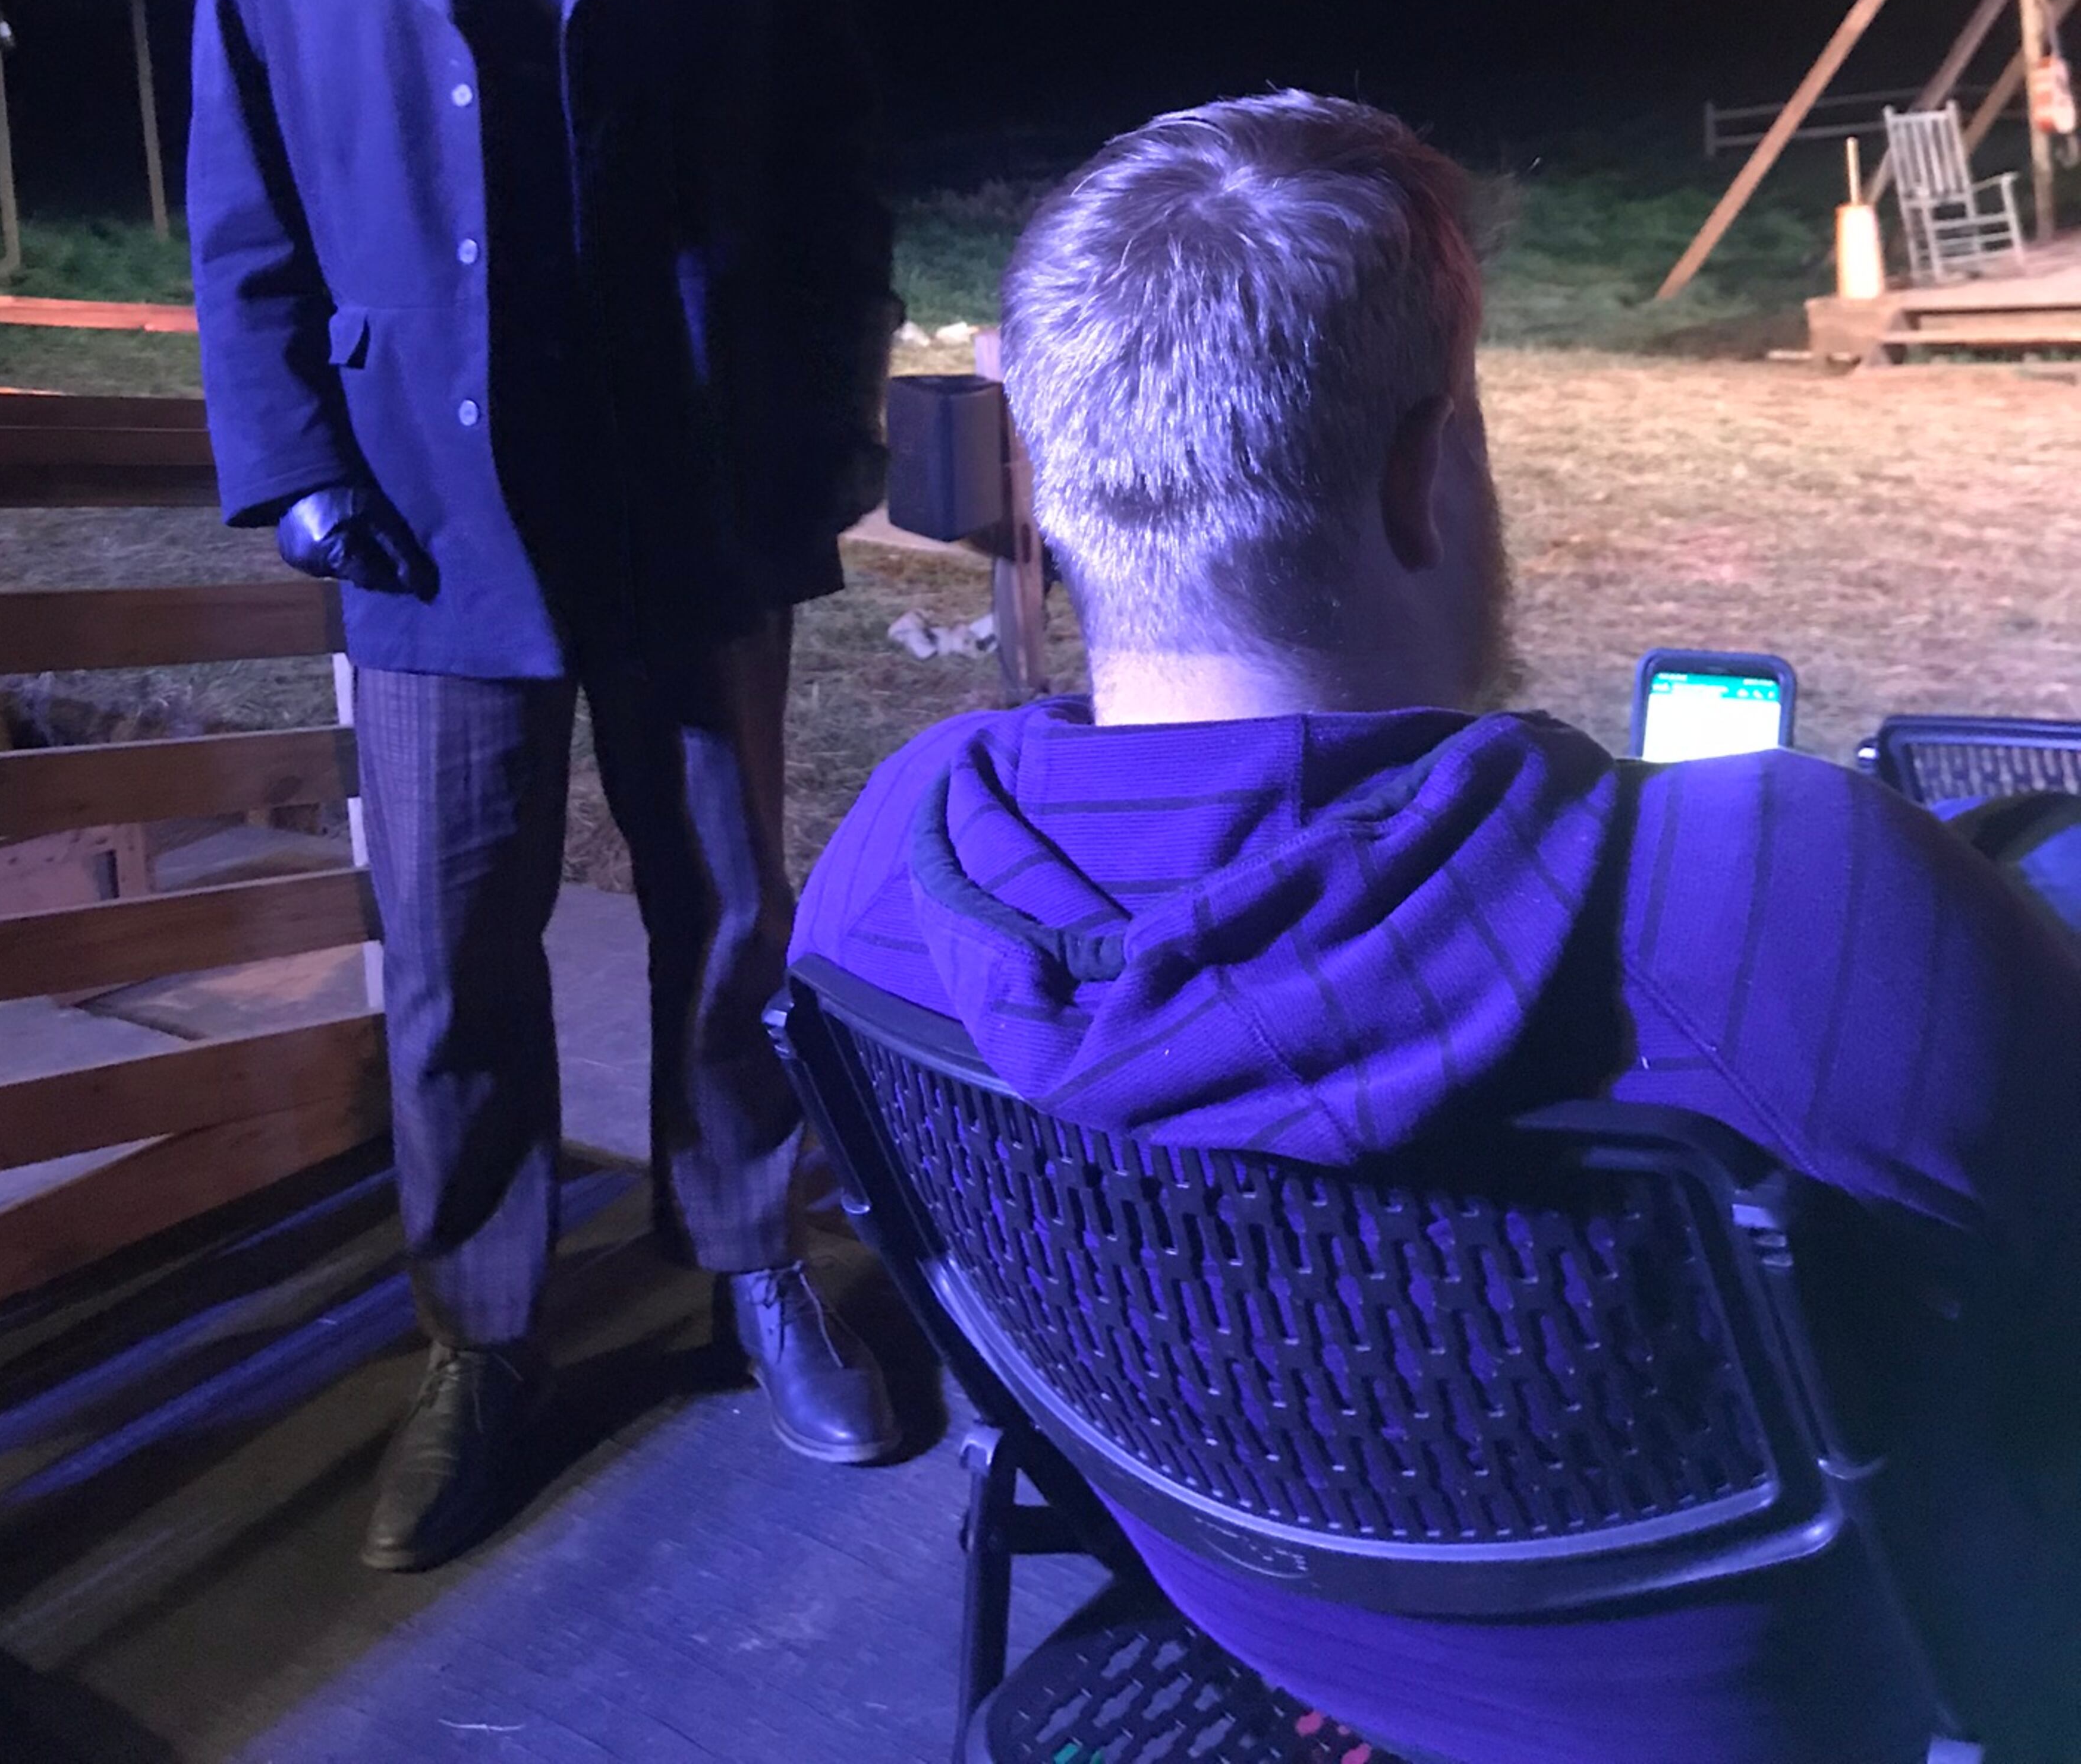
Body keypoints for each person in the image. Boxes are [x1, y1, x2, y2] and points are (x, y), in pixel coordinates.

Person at [796, 92, 2081, 1764]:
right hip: (1859, 1701)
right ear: (1428, 477)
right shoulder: (1789, 905)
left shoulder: (889, 878)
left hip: (1266, 1649)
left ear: (1062, 495)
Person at [189, 0, 899, 1574]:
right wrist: (302, 473)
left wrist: (810, 446)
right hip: (416, 516)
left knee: (724, 907)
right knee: (456, 940)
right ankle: (478, 1335)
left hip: (687, 502)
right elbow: (243, 216)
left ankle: (751, 1262)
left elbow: (825, 186)